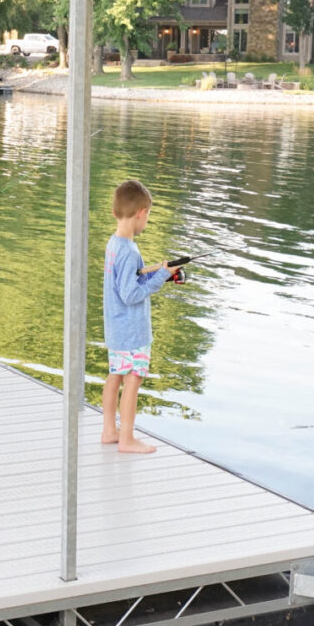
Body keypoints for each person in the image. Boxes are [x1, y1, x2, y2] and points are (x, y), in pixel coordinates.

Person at [101, 179, 175, 454]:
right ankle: (127, 439)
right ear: (142, 212)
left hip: (116, 328)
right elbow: (131, 294)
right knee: (133, 379)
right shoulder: (130, 252)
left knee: (115, 376)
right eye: (149, 216)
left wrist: (157, 273)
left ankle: (110, 430)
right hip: (133, 332)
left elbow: (124, 283)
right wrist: (160, 279)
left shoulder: (113, 245)